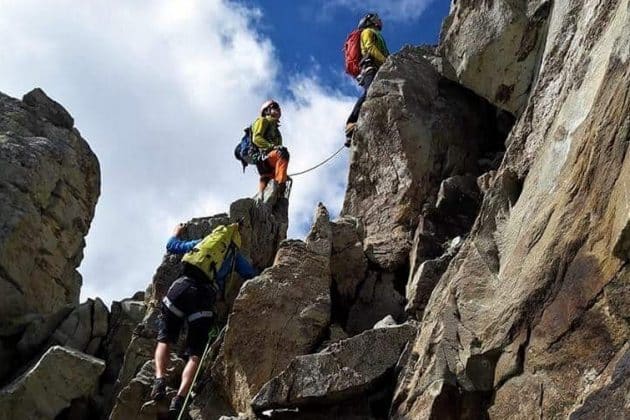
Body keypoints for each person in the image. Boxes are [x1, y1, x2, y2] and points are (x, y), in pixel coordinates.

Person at [151, 222, 257, 417]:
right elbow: (251, 275)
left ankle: (159, 380)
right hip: (204, 299)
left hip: (181, 287)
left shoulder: (202, 243)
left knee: (164, 339)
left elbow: (172, 246)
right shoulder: (234, 256)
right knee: (195, 354)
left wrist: (176, 232)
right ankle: (180, 398)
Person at [345, 13, 389, 146]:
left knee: (374, 93)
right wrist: (386, 61)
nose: (380, 20)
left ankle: (356, 128)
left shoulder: (377, 34)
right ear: (370, 21)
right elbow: (370, 47)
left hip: (377, 67)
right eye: (376, 18)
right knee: (370, 92)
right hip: (369, 68)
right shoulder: (367, 31)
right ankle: (351, 122)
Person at [252, 100, 289, 197]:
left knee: (266, 180)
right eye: (275, 106)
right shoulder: (263, 121)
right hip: (263, 157)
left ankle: (261, 200)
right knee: (283, 153)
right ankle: (280, 186)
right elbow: (256, 138)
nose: (278, 109)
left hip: (269, 162)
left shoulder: (277, 133)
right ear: (267, 110)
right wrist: (272, 147)